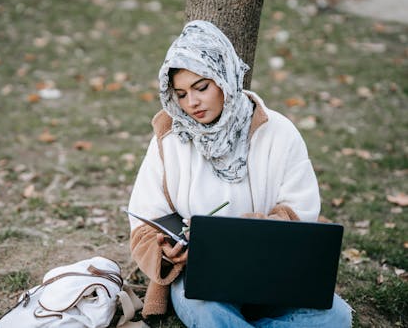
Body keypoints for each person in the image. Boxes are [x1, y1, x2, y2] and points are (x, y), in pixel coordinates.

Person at [127, 20, 352, 327]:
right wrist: (168, 249)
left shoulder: (279, 132)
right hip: (202, 277)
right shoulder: (170, 139)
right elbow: (144, 217)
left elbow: (300, 210)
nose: (191, 103)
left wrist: (250, 235)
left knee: (337, 316)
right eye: (180, 93)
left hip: (271, 271)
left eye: (201, 87)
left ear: (225, 78)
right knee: (208, 312)